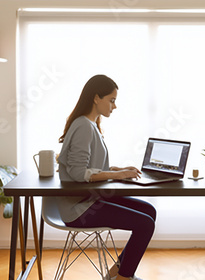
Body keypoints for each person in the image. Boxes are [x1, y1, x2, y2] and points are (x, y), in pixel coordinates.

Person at [52, 74, 156, 280]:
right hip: (78, 208)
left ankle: (117, 272)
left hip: (88, 198)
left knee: (149, 211)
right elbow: (78, 173)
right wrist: (120, 174)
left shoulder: (89, 124)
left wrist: (119, 169)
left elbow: (92, 167)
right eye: (112, 100)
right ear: (96, 98)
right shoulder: (83, 126)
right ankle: (123, 277)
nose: (114, 106)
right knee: (145, 223)